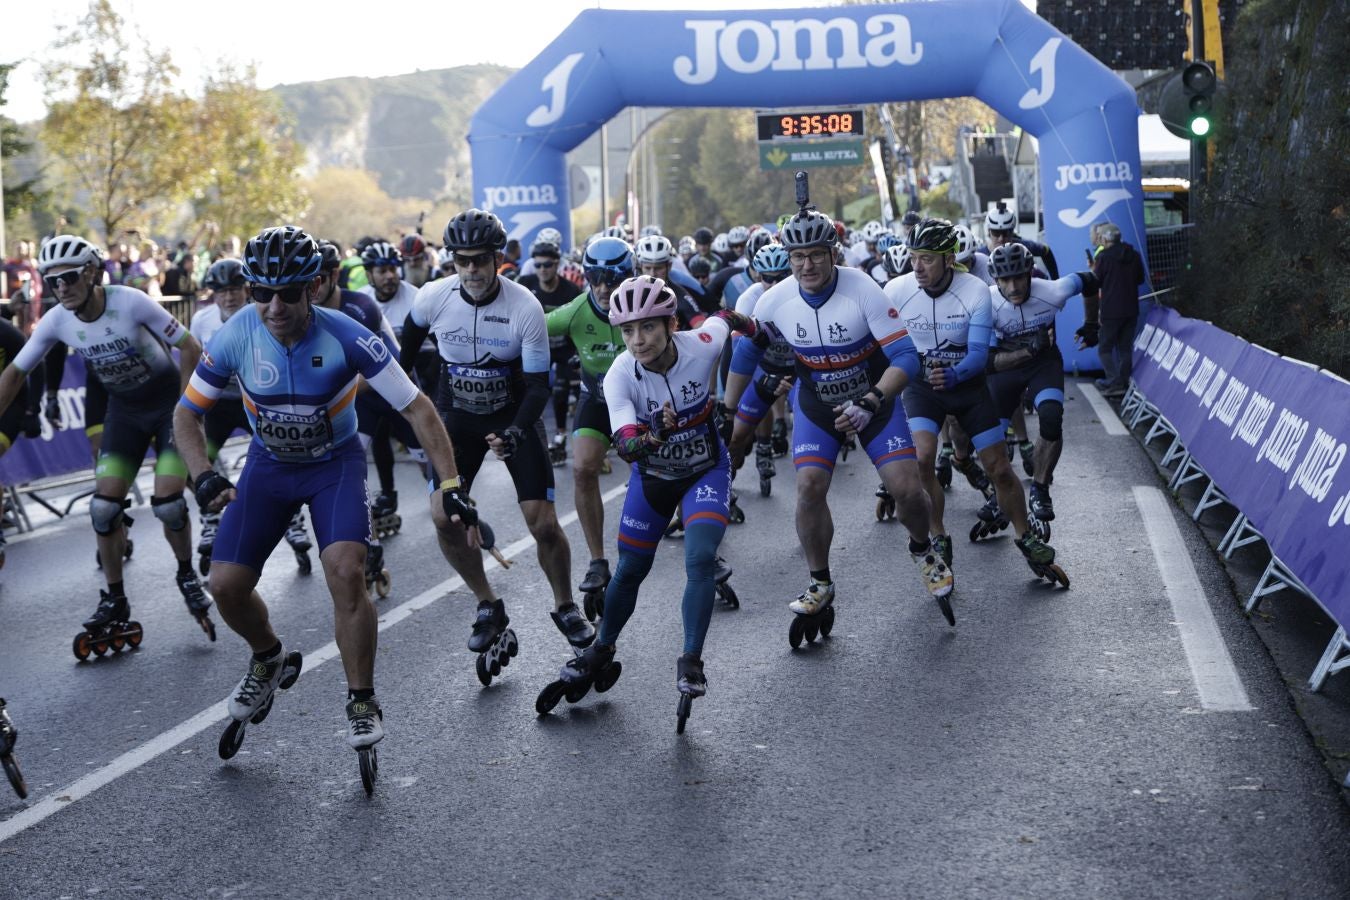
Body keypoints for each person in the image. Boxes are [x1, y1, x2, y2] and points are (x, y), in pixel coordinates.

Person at [174, 225, 477, 759]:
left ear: (312, 287)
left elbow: (417, 407)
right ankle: (268, 656)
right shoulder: (235, 335)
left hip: (332, 465)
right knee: (224, 585)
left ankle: (361, 698)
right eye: (260, 292)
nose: (272, 306)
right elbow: (186, 413)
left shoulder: (346, 333)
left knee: (345, 570)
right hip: (268, 468)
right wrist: (202, 474)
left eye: (287, 292)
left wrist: (449, 483)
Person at [538, 275, 756, 720]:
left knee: (698, 560)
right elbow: (626, 445)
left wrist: (761, 333)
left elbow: (727, 319)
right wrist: (655, 432)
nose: (638, 340)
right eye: (628, 331)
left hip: (705, 472)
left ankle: (691, 660)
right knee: (631, 570)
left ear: (670, 324)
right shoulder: (621, 373)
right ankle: (601, 647)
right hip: (652, 477)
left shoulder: (702, 343)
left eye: (648, 328)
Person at [736, 207, 955, 625]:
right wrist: (729, 407)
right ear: (788, 257)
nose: (807, 265)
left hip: (874, 402)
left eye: (817, 254)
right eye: (798, 256)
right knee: (809, 487)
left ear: (833, 253)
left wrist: (870, 401)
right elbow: (747, 351)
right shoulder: (775, 299)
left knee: (907, 490)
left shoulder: (863, 289)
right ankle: (819, 581)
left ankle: (922, 547)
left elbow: (906, 357)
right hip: (818, 406)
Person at [399, 209, 595, 676]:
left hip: (513, 415)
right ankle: (488, 603)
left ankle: (565, 605)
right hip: (456, 420)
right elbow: (398, 362)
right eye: (462, 260)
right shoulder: (431, 298)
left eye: (480, 260)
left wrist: (515, 431)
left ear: (497, 259)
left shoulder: (524, 306)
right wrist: (415, 414)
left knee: (542, 523)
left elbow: (539, 387)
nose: (471, 270)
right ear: (452, 261)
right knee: (444, 516)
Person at [0, 234, 212, 642]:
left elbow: (191, 347)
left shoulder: (131, 302)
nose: (62, 288)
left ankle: (186, 574)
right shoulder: (57, 320)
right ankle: (115, 598)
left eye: (70, 277)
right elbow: (13, 375)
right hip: (125, 413)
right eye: (52, 281)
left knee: (168, 504)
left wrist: (190, 408)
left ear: (94, 272)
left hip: (168, 407)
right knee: (102, 509)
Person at [885, 219, 1057, 577]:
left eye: (927, 259)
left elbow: (979, 354)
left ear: (949, 259)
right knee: (923, 458)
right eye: (914, 257)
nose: (917, 267)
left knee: (999, 468)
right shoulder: (897, 289)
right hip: (923, 389)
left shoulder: (975, 289)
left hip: (967, 387)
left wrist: (954, 373)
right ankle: (938, 534)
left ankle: (1025, 536)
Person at [189, 258, 311, 575]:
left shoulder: (264, 316)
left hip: (254, 400)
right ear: (212, 295)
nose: (228, 297)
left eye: (233, 290)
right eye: (220, 291)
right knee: (198, 458)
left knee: (281, 457)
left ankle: (294, 523)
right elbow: (193, 365)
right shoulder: (202, 321)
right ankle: (210, 521)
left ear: (247, 290)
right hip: (219, 402)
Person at [543, 236, 632, 604]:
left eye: (612, 279)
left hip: (640, 401)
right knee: (582, 469)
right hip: (596, 399)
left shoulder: (644, 302)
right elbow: (530, 327)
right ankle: (598, 560)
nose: (603, 288)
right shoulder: (576, 311)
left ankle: (698, 538)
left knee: (662, 470)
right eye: (595, 277)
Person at [987, 242, 1100, 522]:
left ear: (1030, 274)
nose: (1013, 287)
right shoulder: (985, 303)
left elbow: (1090, 281)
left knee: (1051, 417)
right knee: (992, 439)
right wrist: (1028, 349)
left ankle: (1040, 487)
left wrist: (1091, 324)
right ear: (995, 280)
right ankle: (997, 493)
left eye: (1019, 278)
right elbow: (989, 363)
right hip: (1005, 369)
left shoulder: (1052, 291)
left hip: (1042, 365)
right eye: (1005, 280)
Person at [518, 238, 584, 454]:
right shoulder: (526, 284)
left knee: (560, 389)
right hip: (536, 347)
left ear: (557, 264)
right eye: (538, 265)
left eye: (547, 265)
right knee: (531, 389)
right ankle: (526, 433)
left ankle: (561, 434)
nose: (542, 270)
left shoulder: (571, 290)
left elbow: (579, 324)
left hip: (564, 348)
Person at [1090, 222, 1145, 397]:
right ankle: (1123, 382)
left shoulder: (1104, 258)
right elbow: (1140, 279)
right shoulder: (1134, 255)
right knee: (1125, 348)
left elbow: (1095, 282)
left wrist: (1093, 270)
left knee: (1104, 348)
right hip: (1131, 309)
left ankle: (1114, 381)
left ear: (1106, 239)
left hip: (1111, 310)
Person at [985, 203, 1058, 279]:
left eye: (1006, 233)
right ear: (989, 232)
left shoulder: (1023, 247)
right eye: (996, 233)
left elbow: (1046, 251)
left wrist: (1055, 280)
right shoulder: (980, 254)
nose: (1001, 238)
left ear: (1012, 232)